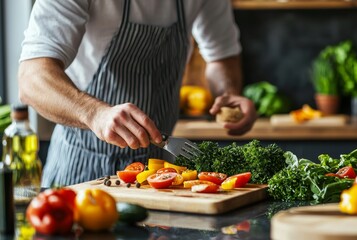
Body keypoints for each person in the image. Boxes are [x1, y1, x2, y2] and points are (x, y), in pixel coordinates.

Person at [18, 0, 257, 187]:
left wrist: (228, 94)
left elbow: (222, 54)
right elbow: (32, 78)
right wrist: (95, 113)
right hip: (78, 169)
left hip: (159, 172)